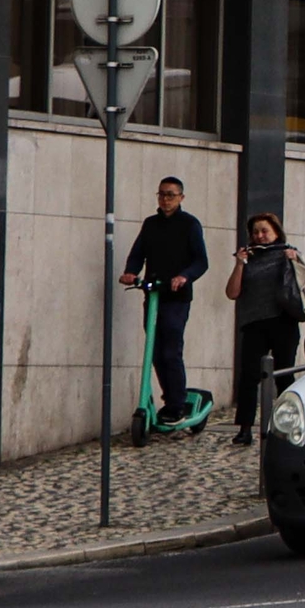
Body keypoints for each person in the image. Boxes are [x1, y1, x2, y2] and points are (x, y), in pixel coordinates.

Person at [119, 176, 210, 427]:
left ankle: (177, 404)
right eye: (161, 194)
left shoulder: (190, 225)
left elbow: (201, 261)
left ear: (181, 197)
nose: (165, 199)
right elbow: (138, 254)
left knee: (171, 350)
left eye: (170, 195)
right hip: (154, 293)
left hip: (177, 298)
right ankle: (169, 401)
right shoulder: (150, 224)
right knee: (155, 352)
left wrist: (184, 276)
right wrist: (130, 272)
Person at [224, 212, 305, 445]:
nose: (260, 236)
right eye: (256, 232)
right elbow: (232, 293)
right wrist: (240, 264)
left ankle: (288, 425)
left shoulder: (288, 253)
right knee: (248, 377)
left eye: (264, 231)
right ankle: (245, 428)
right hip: (254, 324)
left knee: (283, 374)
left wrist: (295, 260)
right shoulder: (248, 258)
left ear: (276, 232)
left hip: (283, 321)